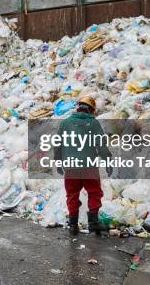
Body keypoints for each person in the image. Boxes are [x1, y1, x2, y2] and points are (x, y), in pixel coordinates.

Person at [56, 96, 111, 236]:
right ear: (91, 110)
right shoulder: (94, 124)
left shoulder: (65, 123)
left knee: (72, 195)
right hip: (89, 167)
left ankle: (73, 226)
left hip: (70, 167)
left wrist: (58, 161)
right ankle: (93, 223)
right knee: (94, 192)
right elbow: (101, 145)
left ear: (78, 107)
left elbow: (58, 145)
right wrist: (107, 160)